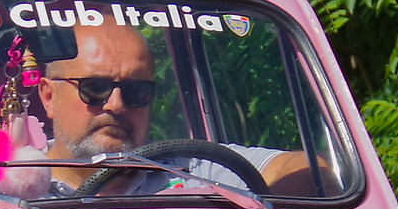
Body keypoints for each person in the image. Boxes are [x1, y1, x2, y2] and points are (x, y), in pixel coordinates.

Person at [36, 20, 321, 195]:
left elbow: (312, 168)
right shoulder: (11, 193)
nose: (117, 104)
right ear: (49, 97)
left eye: (137, 91)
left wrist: (258, 202)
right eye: (95, 88)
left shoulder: (188, 174)